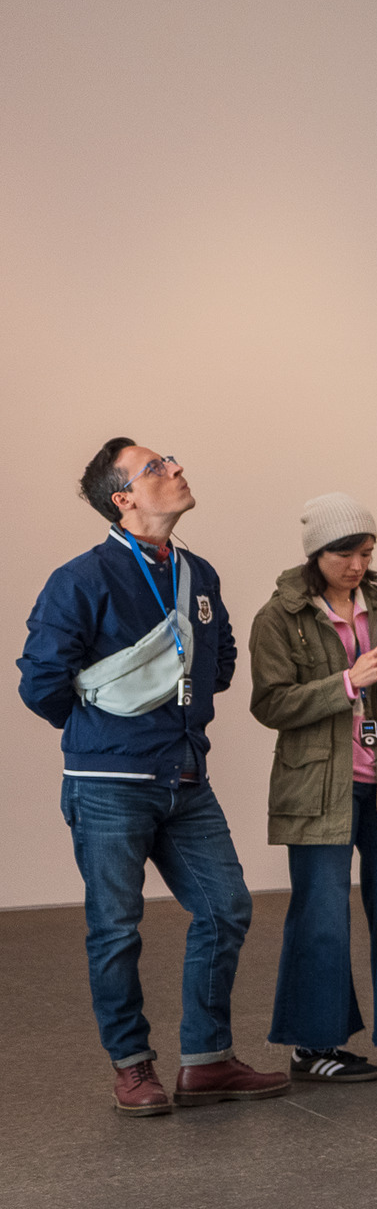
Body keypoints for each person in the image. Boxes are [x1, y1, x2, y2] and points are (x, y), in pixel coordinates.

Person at [16, 443, 288, 1116]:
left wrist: (181, 709)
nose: (175, 466)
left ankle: (207, 1059)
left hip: (186, 774)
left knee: (226, 908)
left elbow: (218, 657)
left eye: (170, 457)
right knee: (116, 928)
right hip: (107, 781)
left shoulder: (196, 572)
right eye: (155, 466)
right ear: (124, 499)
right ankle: (132, 1066)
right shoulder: (80, 578)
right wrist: (106, 731)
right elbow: (41, 682)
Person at [250, 494, 377, 1081]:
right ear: (317, 552)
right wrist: (346, 681)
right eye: (345, 553)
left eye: (366, 552)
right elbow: (270, 703)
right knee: (320, 918)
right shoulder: (279, 617)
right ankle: (313, 1046)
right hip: (318, 787)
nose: (357, 565)